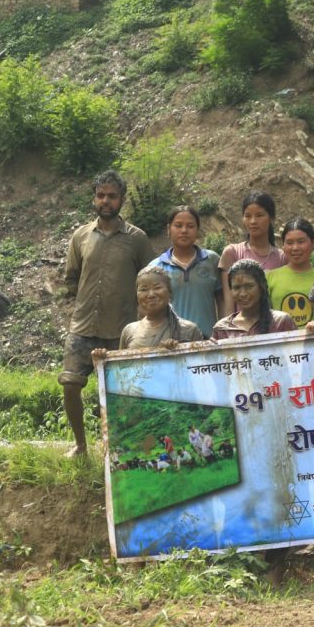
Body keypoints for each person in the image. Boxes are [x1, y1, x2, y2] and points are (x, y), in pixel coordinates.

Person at [60, 170, 155, 457]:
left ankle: (119, 449)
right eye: (101, 196)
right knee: (70, 384)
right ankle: (80, 445)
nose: (105, 201)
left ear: (122, 199)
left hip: (121, 330)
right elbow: (71, 278)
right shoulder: (81, 236)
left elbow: (151, 282)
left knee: (122, 393)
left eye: (112, 196)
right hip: (83, 326)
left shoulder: (137, 239)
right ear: (94, 198)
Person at [149, 205, 223, 338]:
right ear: (168, 229)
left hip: (208, 340)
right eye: (178, 225)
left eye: (190, 226)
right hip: (171, 342)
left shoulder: (212, 260)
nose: (184, 230)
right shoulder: (155, 268)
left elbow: (222, 299)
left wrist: (223, 331)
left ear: (197, 230)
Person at [101, 267, 203, 352]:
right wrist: (102, 360)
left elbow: (199, 365)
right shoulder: (129, 331)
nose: (151, 295)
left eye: (157, 288)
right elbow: (121, 366)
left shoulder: (189, 330)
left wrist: (177, 351)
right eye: (143, 289)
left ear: (170, 291)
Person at [218, 192, 286, 314]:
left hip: (274, 324)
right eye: (248, 216)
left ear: (271, 218)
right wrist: (229, 325)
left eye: (259, 215)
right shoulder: (232, 253)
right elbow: (229, 302)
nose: (253, 221)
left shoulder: (282, 258)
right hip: (240, 325)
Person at [211, 259, 295, 340]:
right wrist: (210, 348)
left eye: (249, 286)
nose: (243, 293)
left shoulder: (281, 322)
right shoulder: (222, 329)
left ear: (261, 286)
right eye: (237, 288)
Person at [267, 218, 314, 327]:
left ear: (313, 242)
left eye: (301, 242)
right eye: (289, 243)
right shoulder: (269, 278)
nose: (295, 248)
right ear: (283, 245)